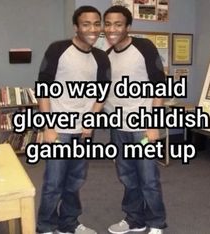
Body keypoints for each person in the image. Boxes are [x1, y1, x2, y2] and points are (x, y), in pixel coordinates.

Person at [36, 6, 110, 234]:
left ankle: (68, 223)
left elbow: (102, 92)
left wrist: (91, 120)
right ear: (76, 27)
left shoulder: (101, 57)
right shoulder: (57, 49)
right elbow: (43, 89)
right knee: (53, 183)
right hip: (59, 130)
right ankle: (45, 226)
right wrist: (48, 126)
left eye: (97, 23)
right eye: (86, 24)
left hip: (84, 131)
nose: (93, 29)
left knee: (75, 181)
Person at [103, 5, 167, 234]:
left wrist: (154, 124)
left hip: (142, 129)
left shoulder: (144, 47)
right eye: (108, 24)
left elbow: (161, 84)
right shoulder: (107, 55)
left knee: (148, 177)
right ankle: (135, 220)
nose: (112, 29)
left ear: (128, 26)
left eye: (118, 24)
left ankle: (156, 223)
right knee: (127, 176)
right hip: (118, 128)